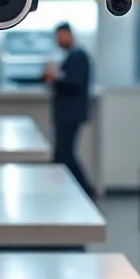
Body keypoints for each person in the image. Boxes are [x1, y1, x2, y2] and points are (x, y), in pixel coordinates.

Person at [44, 22, 94, 197]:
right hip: (65, 113)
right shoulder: (70, 56)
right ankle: (69, 190)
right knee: (62, 154)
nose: (58, 40)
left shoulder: (79, 57)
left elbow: (73, 83)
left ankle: (85, 190)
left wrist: (55, 78)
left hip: (70, 113)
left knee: (65, 155)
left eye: (61, 36)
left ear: (69, 35)